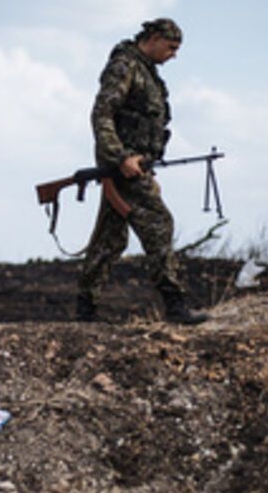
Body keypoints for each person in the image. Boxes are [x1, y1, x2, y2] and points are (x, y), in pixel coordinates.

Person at [76, 18, 210, 325]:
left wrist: (146, 168)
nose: (174, 55)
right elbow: (102, 114)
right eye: (171, 47)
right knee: (159, 223)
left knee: (109, 240)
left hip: (135, 168)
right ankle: (175, 306)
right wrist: (121, 157)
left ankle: (85, 309)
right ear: (153, 38)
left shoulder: (147, 72)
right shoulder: (125, 66)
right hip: (122, 166)